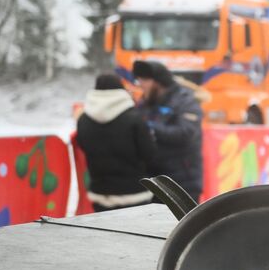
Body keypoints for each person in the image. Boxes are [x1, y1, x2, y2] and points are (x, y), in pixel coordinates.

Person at [75, 74, 162, 211]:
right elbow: (149, 154)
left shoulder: (83, 120)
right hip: (134, 194)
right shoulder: (134, 119)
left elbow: (82, 145)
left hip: (100, 194)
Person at [132, 59, 204, 200]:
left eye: (145, 80)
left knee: (181, 223)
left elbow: (186, 133)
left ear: (158, 82)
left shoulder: (186, 100)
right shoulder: (145, 103)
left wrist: (150, 128)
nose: (140, 84)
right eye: (139, 80)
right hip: (154, 180)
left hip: (183, 184)